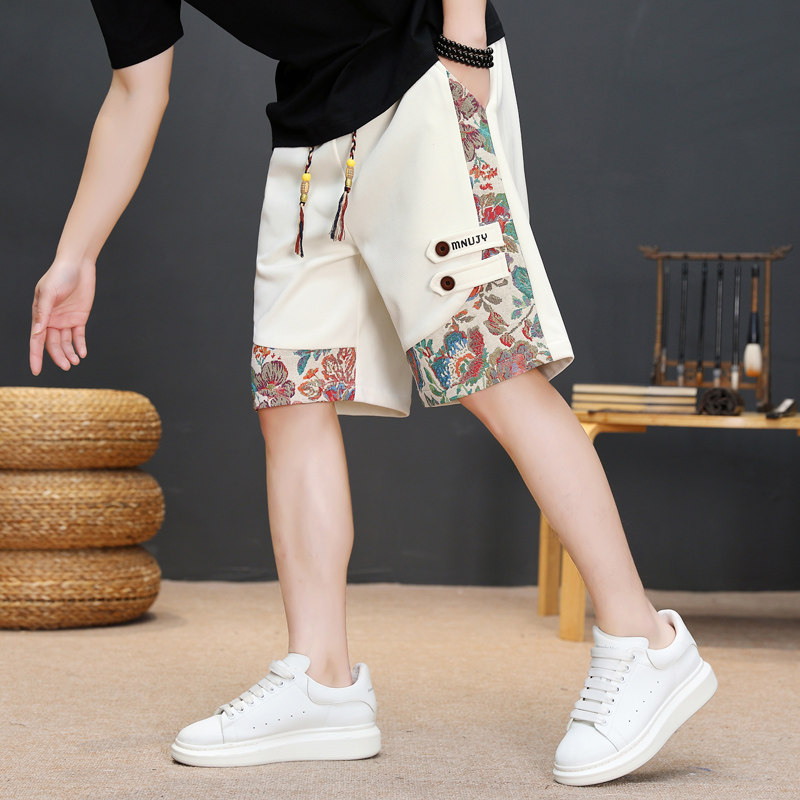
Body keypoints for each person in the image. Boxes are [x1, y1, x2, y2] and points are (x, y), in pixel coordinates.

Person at [28, 0, 717, 786]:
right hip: (312, 124)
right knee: (291, 392)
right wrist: (77, 252)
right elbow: (136, 87)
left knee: (492, 367)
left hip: (422, 68)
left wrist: (465, 46)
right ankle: (322, 681)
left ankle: (645, 642)